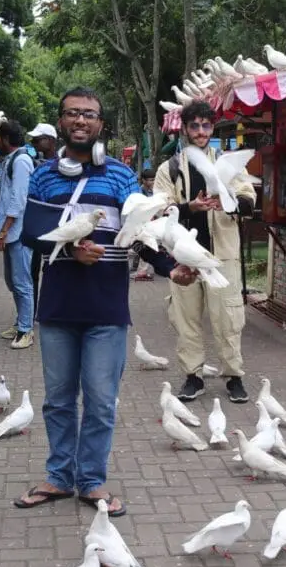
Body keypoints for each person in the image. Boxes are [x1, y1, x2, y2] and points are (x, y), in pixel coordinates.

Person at [14, 87, 199, 518]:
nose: (80, 121)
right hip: (58, 306)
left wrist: (170, 265)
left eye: (89, 115)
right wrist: (73, 249)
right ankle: (59, 477)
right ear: (60, 121)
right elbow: (30, 234)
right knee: (58, 400)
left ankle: (92, 481)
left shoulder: (120, 176)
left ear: (101, 124)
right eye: (72, 113)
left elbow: (142, 230)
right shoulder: (43, 175)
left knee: (99, 400)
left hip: (107, 308)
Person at [154, 100, 257, 404]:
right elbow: (160, 210)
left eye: (206, 125)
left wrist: (233, 201)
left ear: (212, 127)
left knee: (228, 318)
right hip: (184, 258)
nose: (201, 131)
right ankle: (192, 376)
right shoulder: (169, 169)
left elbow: (247, 196)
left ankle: (234, 376)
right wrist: (190, 207)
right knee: (186, 319)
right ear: (184, 129)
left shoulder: (227, 163)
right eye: (195, 125)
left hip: (221, 256)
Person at [0, 120, 36, 349]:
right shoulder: (12, 161)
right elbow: (11, 195)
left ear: (7, 139)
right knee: (13, 282)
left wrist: (4, 231)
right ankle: (21, 322)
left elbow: (18, 201)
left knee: (22, 283)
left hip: (17, 233)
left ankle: (26, 330)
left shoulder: (20, 161)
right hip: (12, 233)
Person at [27, 122, 58, 321]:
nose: (34, 143)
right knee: (33, 272)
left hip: (57, 228)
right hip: (39, 226)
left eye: (38, 139)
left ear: (51, 141)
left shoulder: (63, 164)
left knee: (54, 270)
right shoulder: (34, 164)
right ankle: (32, 313)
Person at [132, 169, 157, 281]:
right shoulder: (138, 192)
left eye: (154, 180)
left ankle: (140, 266)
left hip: (153, 222)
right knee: (146, 244)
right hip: (142, 222)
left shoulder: (154, 191)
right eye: (151, 180)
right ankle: (142, 270)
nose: (153, 182)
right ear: (143, 180)